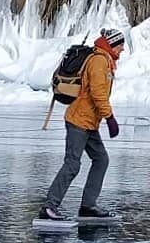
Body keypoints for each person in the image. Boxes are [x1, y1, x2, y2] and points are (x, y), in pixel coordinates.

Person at [38, 27, 125, 221]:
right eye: (120, 45)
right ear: (112, 44)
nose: (122, 49)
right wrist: (110, 118)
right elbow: (97, 94)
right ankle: (49, 207)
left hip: (89, 123)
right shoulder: (99, 61)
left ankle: (88, 205)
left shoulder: (105, 60)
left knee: (101, 159)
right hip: (78, 122)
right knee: (72, 164)